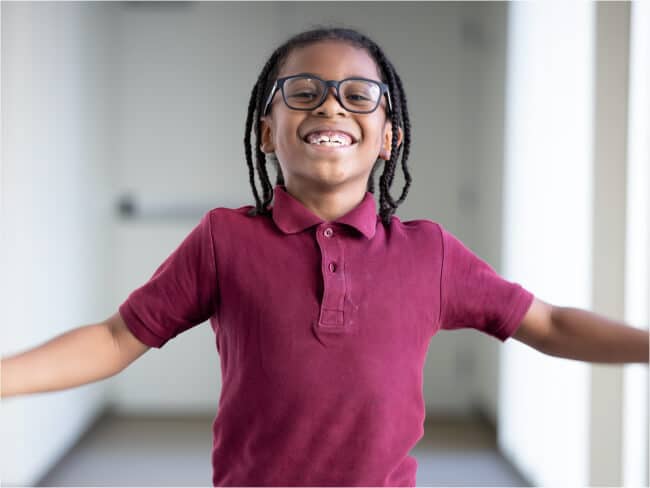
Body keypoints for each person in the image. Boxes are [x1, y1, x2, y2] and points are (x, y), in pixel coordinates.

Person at [1, 26, 648, 487]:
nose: (331, 103)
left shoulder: (431, 253)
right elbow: (116, 339)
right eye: (303, 92)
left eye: (357, 94)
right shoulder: (224, 239)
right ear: (266, 131)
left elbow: (552, 325)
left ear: (389, 139)